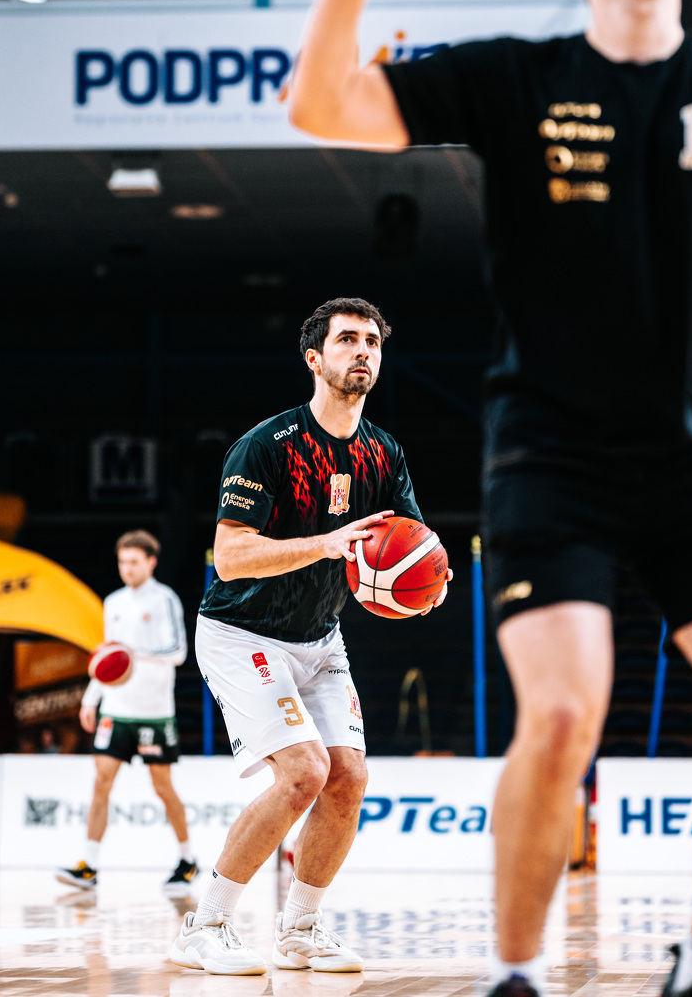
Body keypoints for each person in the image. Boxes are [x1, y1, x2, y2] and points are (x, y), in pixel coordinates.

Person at [290, 0, 692, 997]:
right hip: (554, 458)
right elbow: (320, 105)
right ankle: (514, 974)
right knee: (565, 714)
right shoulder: (513, 78)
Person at [169, 297, 451, 976]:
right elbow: (230, 556)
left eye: (373, 342)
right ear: (314, 359)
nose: (363, 351)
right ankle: (204, 925)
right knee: (303, 773)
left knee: (348, 777)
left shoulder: (384, 452)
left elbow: (409, 542)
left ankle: (300, 930)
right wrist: (325, 543)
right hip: (242, 631)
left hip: (320, 637)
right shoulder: (268, 446)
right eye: (348, 340)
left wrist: (429, 580)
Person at [56, 530, 198, 896]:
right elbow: (106, 658)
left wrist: (132, 652)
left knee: (163, 787)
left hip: (154, 712)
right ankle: (88, 866)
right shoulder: (113, 602)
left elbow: (178, 652)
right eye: (122, 562)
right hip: (116, 710)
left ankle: (188, 860)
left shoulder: (165, 599)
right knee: (100, 783)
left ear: (151, 562)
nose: (127, 568)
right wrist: (91, 699)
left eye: (134, 562)